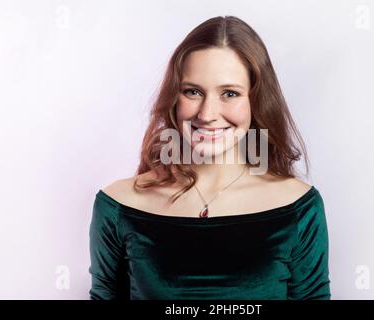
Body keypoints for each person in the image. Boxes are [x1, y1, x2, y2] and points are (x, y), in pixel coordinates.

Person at [88, 15, 331, 300]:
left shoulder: (299, 207)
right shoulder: (117, 206)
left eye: (230, 93)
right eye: (192, 92)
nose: (206, 114)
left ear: (257, 100)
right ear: (174, 99)